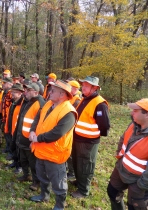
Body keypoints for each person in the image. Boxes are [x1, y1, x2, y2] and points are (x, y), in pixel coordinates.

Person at [29, 80, 77, 209]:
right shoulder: (48, 104)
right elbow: (37, 118)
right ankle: (44, 195)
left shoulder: (69, 112)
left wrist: (37, 138)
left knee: (58, 182)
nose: (49, 92)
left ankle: (60, 205)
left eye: (53, 91)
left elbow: (57, 133)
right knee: (42, 175)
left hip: (55, 154)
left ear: (62, 94)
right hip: (40, 150)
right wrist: (32, 130)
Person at [71, 76, 110, 198]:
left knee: (86, 165)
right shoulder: (85, 99)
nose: (83, 87)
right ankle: (79, 182)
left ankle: (83, 190)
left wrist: (93, 137)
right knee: (77, 162)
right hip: (77, 138)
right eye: (83, 85)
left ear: (95, 88)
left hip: (88, 142)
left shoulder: (100, 103)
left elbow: (104, 125)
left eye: (86, 86)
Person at [107, 98, 148, 210]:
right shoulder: (133, 124)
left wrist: (141, 185)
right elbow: (123, 139)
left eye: (135, 110)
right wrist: (120, 159)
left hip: (139, 181)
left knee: (135, 207)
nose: (131, 113)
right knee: (113, 192)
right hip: (121, 169)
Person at [15, 82, 45, 191]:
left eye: (29, 90)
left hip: (31, 140)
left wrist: (35, 138)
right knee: (23, 159)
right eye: (26, 90)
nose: (25, 92)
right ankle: (26, 175)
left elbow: (41, 123)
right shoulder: (28, 101)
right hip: (22, 138)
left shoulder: (41, 104)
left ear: (36, 92)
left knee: (33, 163)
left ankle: (36, 182)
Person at [5, 83, 25, 173]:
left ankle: (19, 167)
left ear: (20, 93)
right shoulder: (14, 102)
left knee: (18, 150)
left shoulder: (23, 104)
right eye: (12, 92)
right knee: (13, 147)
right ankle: (15, 162)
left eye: (14, 92)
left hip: (18, 131)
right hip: (11, 128)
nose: (12, 94)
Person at [1, 77, 14, 155]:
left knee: (9, 135)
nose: (3, 84)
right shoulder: (5, 92)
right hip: (4, 116)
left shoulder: (11, 93)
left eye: (4, 83)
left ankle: (11, 152)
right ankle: (7, 147)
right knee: (5, 133)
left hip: (9, 117)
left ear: (9, 84)